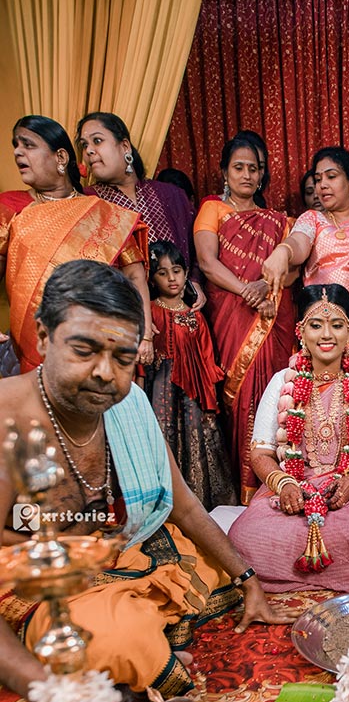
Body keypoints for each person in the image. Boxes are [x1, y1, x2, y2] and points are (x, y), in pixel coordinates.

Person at [0, 260, 290, 702]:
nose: (104, 373)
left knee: (218, 568)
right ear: (43, 336)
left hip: (122, 552)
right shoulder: (7, 420)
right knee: (124, 636)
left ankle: (131, 646)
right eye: (84, 350)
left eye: (122, 358)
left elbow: (182, 504)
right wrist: (44, 688)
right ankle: (129, 648)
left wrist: (247, 580)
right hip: (35, 579)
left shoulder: (129, 403)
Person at [226, 283, 349, 593]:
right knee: (246, 535)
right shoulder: (282, 382)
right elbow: (260, 452)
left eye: (337, 325)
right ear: (301, 330)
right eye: (316, 325)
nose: (327, 335)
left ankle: (337, 566)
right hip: (293, 491)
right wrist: (285, 485)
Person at [0, 115, 152, 374]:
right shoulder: (10, 207)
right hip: (33, 351)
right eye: (16, 145)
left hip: (99, 345)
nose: (17, 152)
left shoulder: (103, 213)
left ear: (60, 157)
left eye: (28, 145)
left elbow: (134, 275)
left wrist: (145, 334)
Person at [193, 132, 295, 502]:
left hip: (272, 313)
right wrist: (247, 290)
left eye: (254, 169)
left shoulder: (278, 221)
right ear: (225, 172)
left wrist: (265, 288)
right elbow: (207, 263)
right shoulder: (212, 210)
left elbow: (294, 270)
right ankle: (242, 489)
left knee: (276, 394)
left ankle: (278, 485)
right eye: (239, 168)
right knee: (237, 399)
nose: (247, 175)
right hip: (232, 315)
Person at [262, 146, 349, 357]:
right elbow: (299, 243)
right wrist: (284, 250)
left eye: (331, 177)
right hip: (322, 325)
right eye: (318, 179)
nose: (322, 185)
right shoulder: (313, 219)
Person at [147, 240, 236, 510]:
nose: (171, 278)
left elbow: (207, 360)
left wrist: (210, 399)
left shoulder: (196, 316)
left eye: (176, 271)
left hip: (194, 395)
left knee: (198, 439)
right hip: (161, 392)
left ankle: (199, 504)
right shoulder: (150, 313)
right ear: (152, 278)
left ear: (186, 274)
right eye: (162, 273)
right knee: (164, 437)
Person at [77, 112, 198, 280]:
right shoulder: (87, 202)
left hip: (182, 296)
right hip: (123, 296)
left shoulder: (172, 195)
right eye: (84, 145)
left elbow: (198, 252)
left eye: (97, 141)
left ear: (125, 146)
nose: (89, 151)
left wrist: (195, 283)